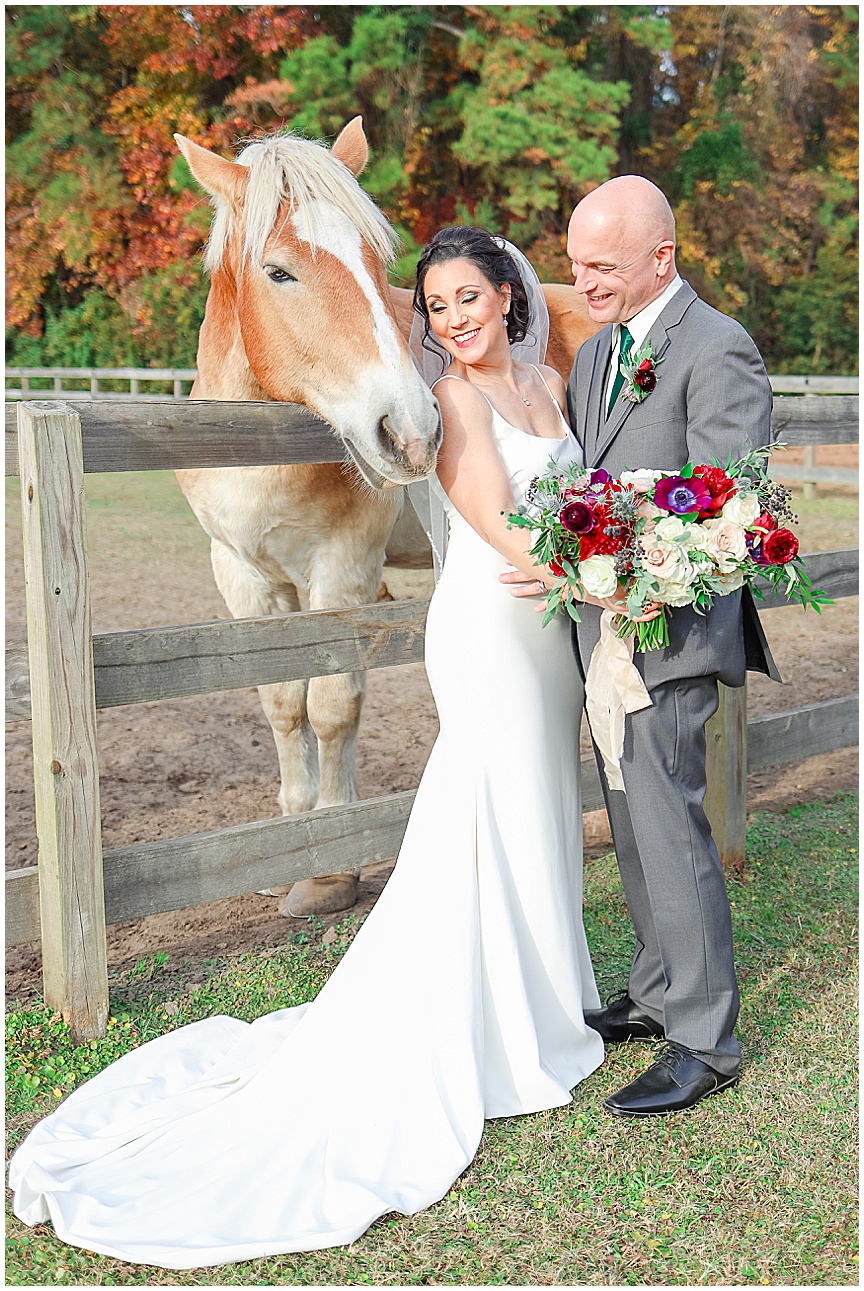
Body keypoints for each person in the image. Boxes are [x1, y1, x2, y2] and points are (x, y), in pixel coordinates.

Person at [9, 228, 611, 1270]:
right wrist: (598, 571)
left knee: (538, 811)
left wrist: (605, 547)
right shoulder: (459, 404)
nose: (456, 317)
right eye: (438, 305)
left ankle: (545, 1012)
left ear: (512, 296)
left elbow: (578, 499)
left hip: (549, 633)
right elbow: (500, 527)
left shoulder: (548, 394)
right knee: (484, 812)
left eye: (471, 296)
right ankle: (495, 1034)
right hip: (496, 628)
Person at [503, 176, 779, 1118]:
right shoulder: (597, 357)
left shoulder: (718, 347)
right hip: (600, 630)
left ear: (661, 257)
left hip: (671, 633)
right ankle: (660, 989)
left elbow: (725, 509)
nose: (581, 285)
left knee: (670, 821)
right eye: (575, 265)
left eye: (601, 267)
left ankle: (706, 1039)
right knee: (629, 819)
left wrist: (618, 560)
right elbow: (588, 482)